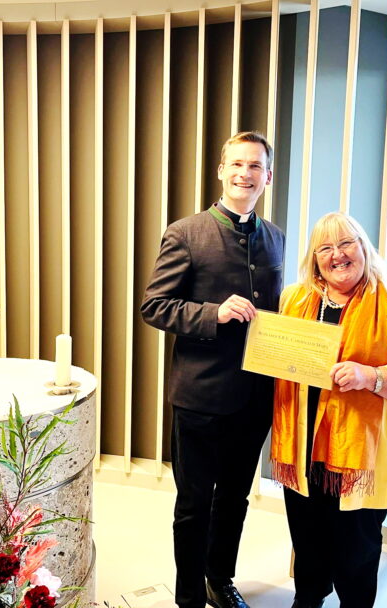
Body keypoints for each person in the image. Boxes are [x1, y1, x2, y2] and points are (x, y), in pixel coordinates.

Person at [272, 212, 387, 608]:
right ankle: (308, 599)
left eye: (346, 243)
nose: (337, 255)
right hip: (302, 448)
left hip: (363, 456)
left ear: (364, 248)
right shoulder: (295, 300)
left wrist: (373, 376)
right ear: (315, 259)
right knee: (308, 541)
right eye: (325, 248)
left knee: (357, 552)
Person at [141, 132, 285, 608]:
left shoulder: (276, 238)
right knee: (194, 504)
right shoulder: (185, 233)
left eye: (255, 166)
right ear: (222, 171)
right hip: (200, 397)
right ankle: (188, 598)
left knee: (235, 499)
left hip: (255, 398)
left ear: (268, 176)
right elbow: (154, 306)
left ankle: (219, 580)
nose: (246, 174)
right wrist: (213, 313)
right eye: (237, 164)